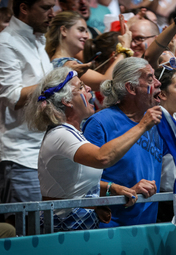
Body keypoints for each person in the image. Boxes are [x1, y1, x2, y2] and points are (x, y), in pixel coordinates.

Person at [25, 67, 163, 231]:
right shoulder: (61, 134)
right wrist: (142, 126)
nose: (90, 88)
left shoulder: (74, 133)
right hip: (63, 232)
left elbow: (77, 184)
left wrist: (114, 189)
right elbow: (103, 158)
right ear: (67, 101)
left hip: (80, 229)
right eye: (81, 87)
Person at [82, 57, 166, 227]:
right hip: (110, 230)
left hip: (147, 229)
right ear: (131, 88)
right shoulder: (100, 123)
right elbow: (81, 184)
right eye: (150, 78)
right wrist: (123, 190)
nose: (158, 83)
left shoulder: (156, 122)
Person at [0, 0, 55, 227]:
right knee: (26, 237)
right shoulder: (6, 43)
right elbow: (12, 96)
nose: (52, 14)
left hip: (42, 155)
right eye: (45, 8)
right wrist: (57, 80)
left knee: (42, 235)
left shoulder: (37, 40)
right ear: (24, 8)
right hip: (20, 156)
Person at [45, 11, 132, 91]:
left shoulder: (61, 61)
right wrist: (124, 48)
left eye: (86, 31)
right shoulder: (65, 64)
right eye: (81, 30)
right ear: (64, 31)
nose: (86, 36)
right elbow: (106, 83)